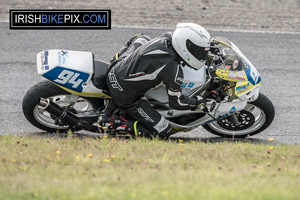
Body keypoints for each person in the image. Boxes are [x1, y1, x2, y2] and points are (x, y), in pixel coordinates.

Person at [101, 23, 214, 139]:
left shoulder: (167, 38)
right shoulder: (172, 70)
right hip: (125, 95)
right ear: (186, 46)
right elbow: (177, 103)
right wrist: (198, 102)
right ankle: (111, 122)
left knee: (141, 38)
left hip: (115, 67)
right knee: (163, 131)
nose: (201, 56)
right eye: (198, 51)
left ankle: (111, 62)